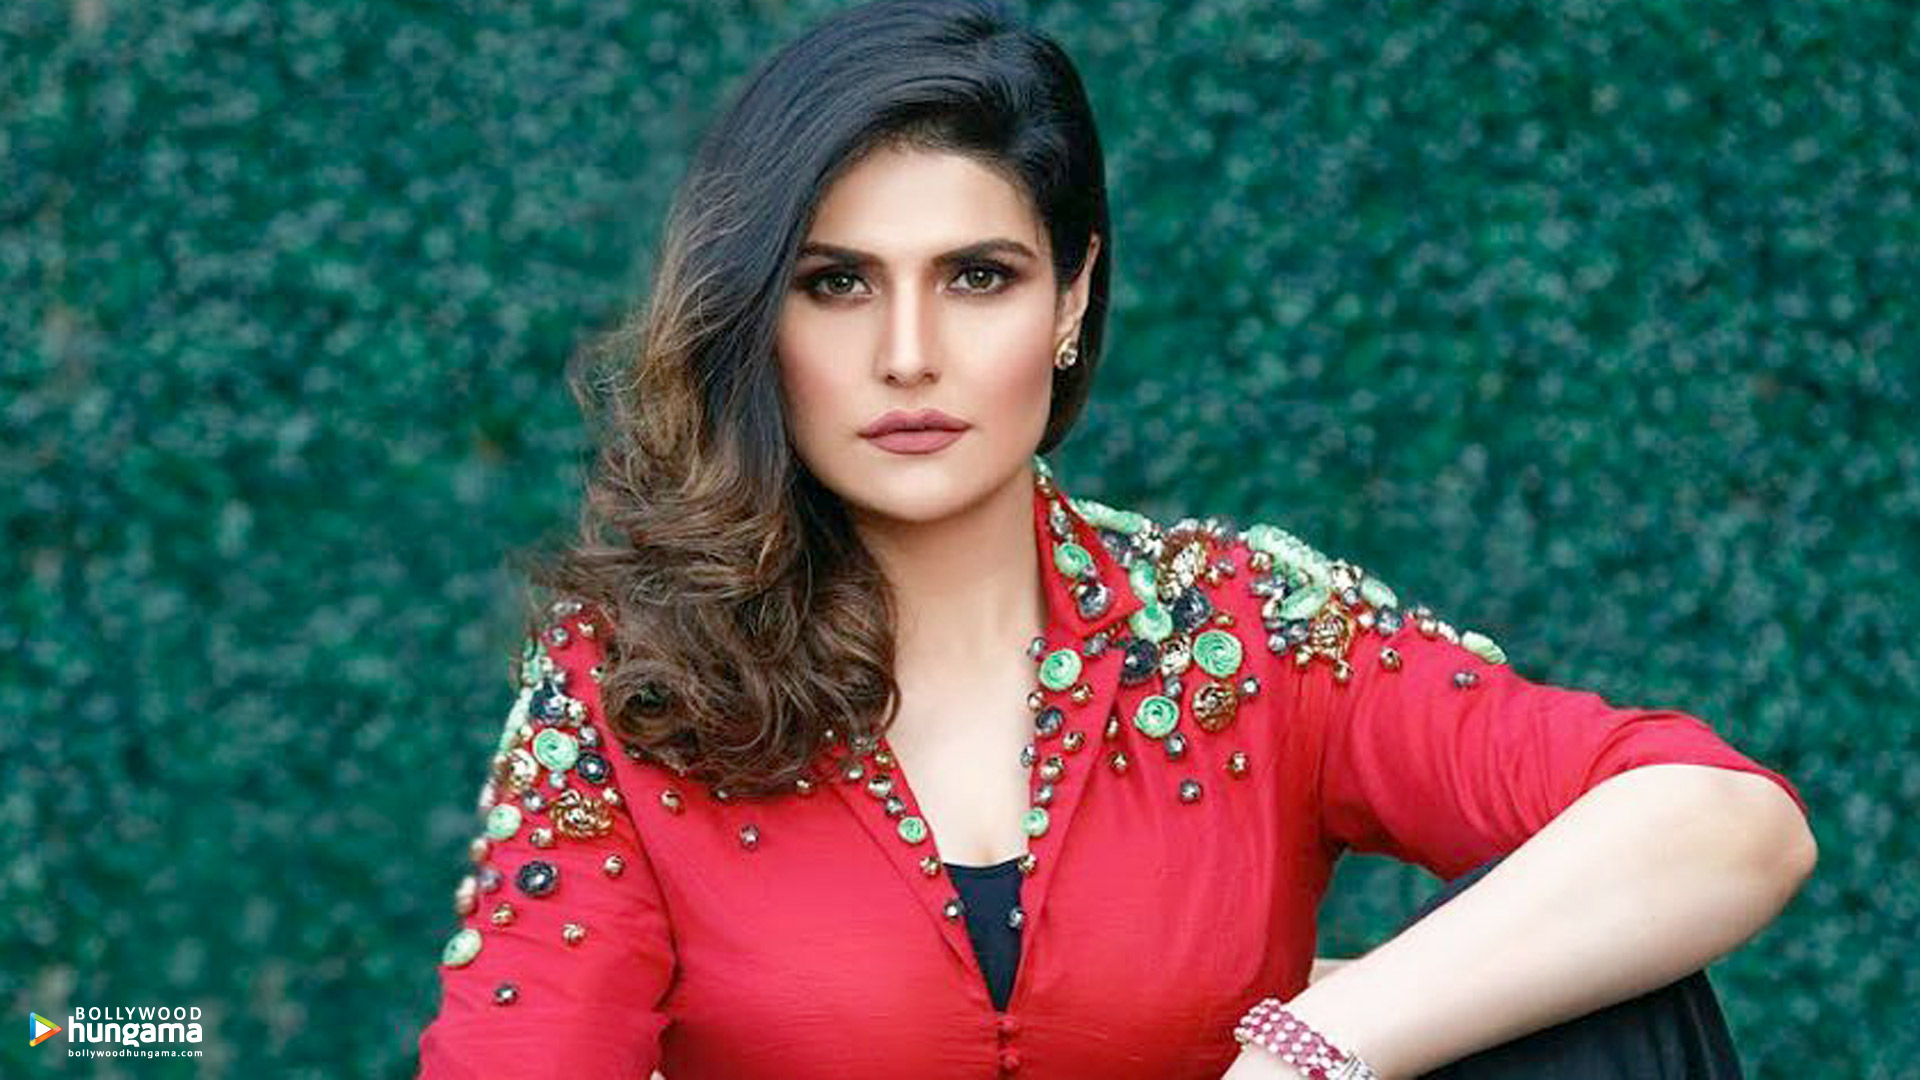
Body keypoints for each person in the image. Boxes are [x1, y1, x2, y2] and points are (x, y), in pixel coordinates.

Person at [413, 2, 1817, 1077]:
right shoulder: (631, 685)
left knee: (1608, 1005)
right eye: (837, 285)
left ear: (1072, 298)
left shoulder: (1241, 633)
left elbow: (1722, 820)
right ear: (757, 318)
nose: (909, 355)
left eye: (979, 277)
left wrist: (1320, 1043)